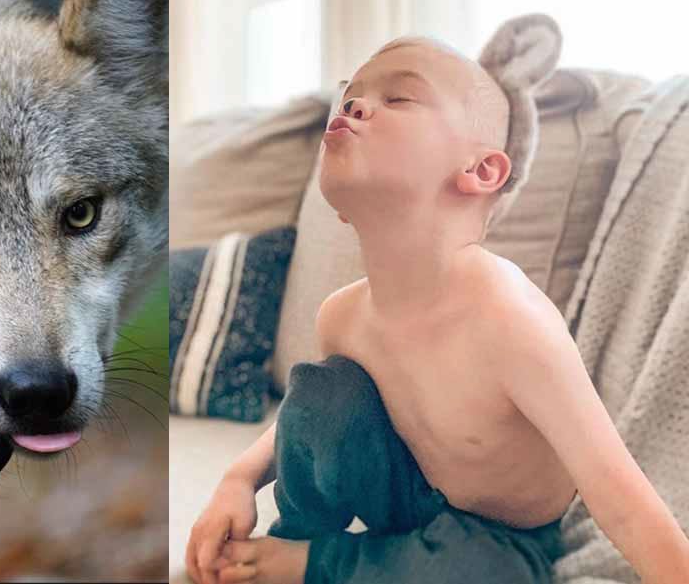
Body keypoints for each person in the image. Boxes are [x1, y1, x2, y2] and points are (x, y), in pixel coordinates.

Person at [185, 36, 689, 584]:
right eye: (349, 98)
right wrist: (239, 479)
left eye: (398, 97)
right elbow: (301, 423)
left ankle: (319, 563)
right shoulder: (342, 316)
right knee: (324, 392)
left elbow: (619, 496)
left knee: (483, 573)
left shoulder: (511, 319)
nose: (353, 106)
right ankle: (299, 536)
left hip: (496, 533)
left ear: (482, 171)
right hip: (399, 490)